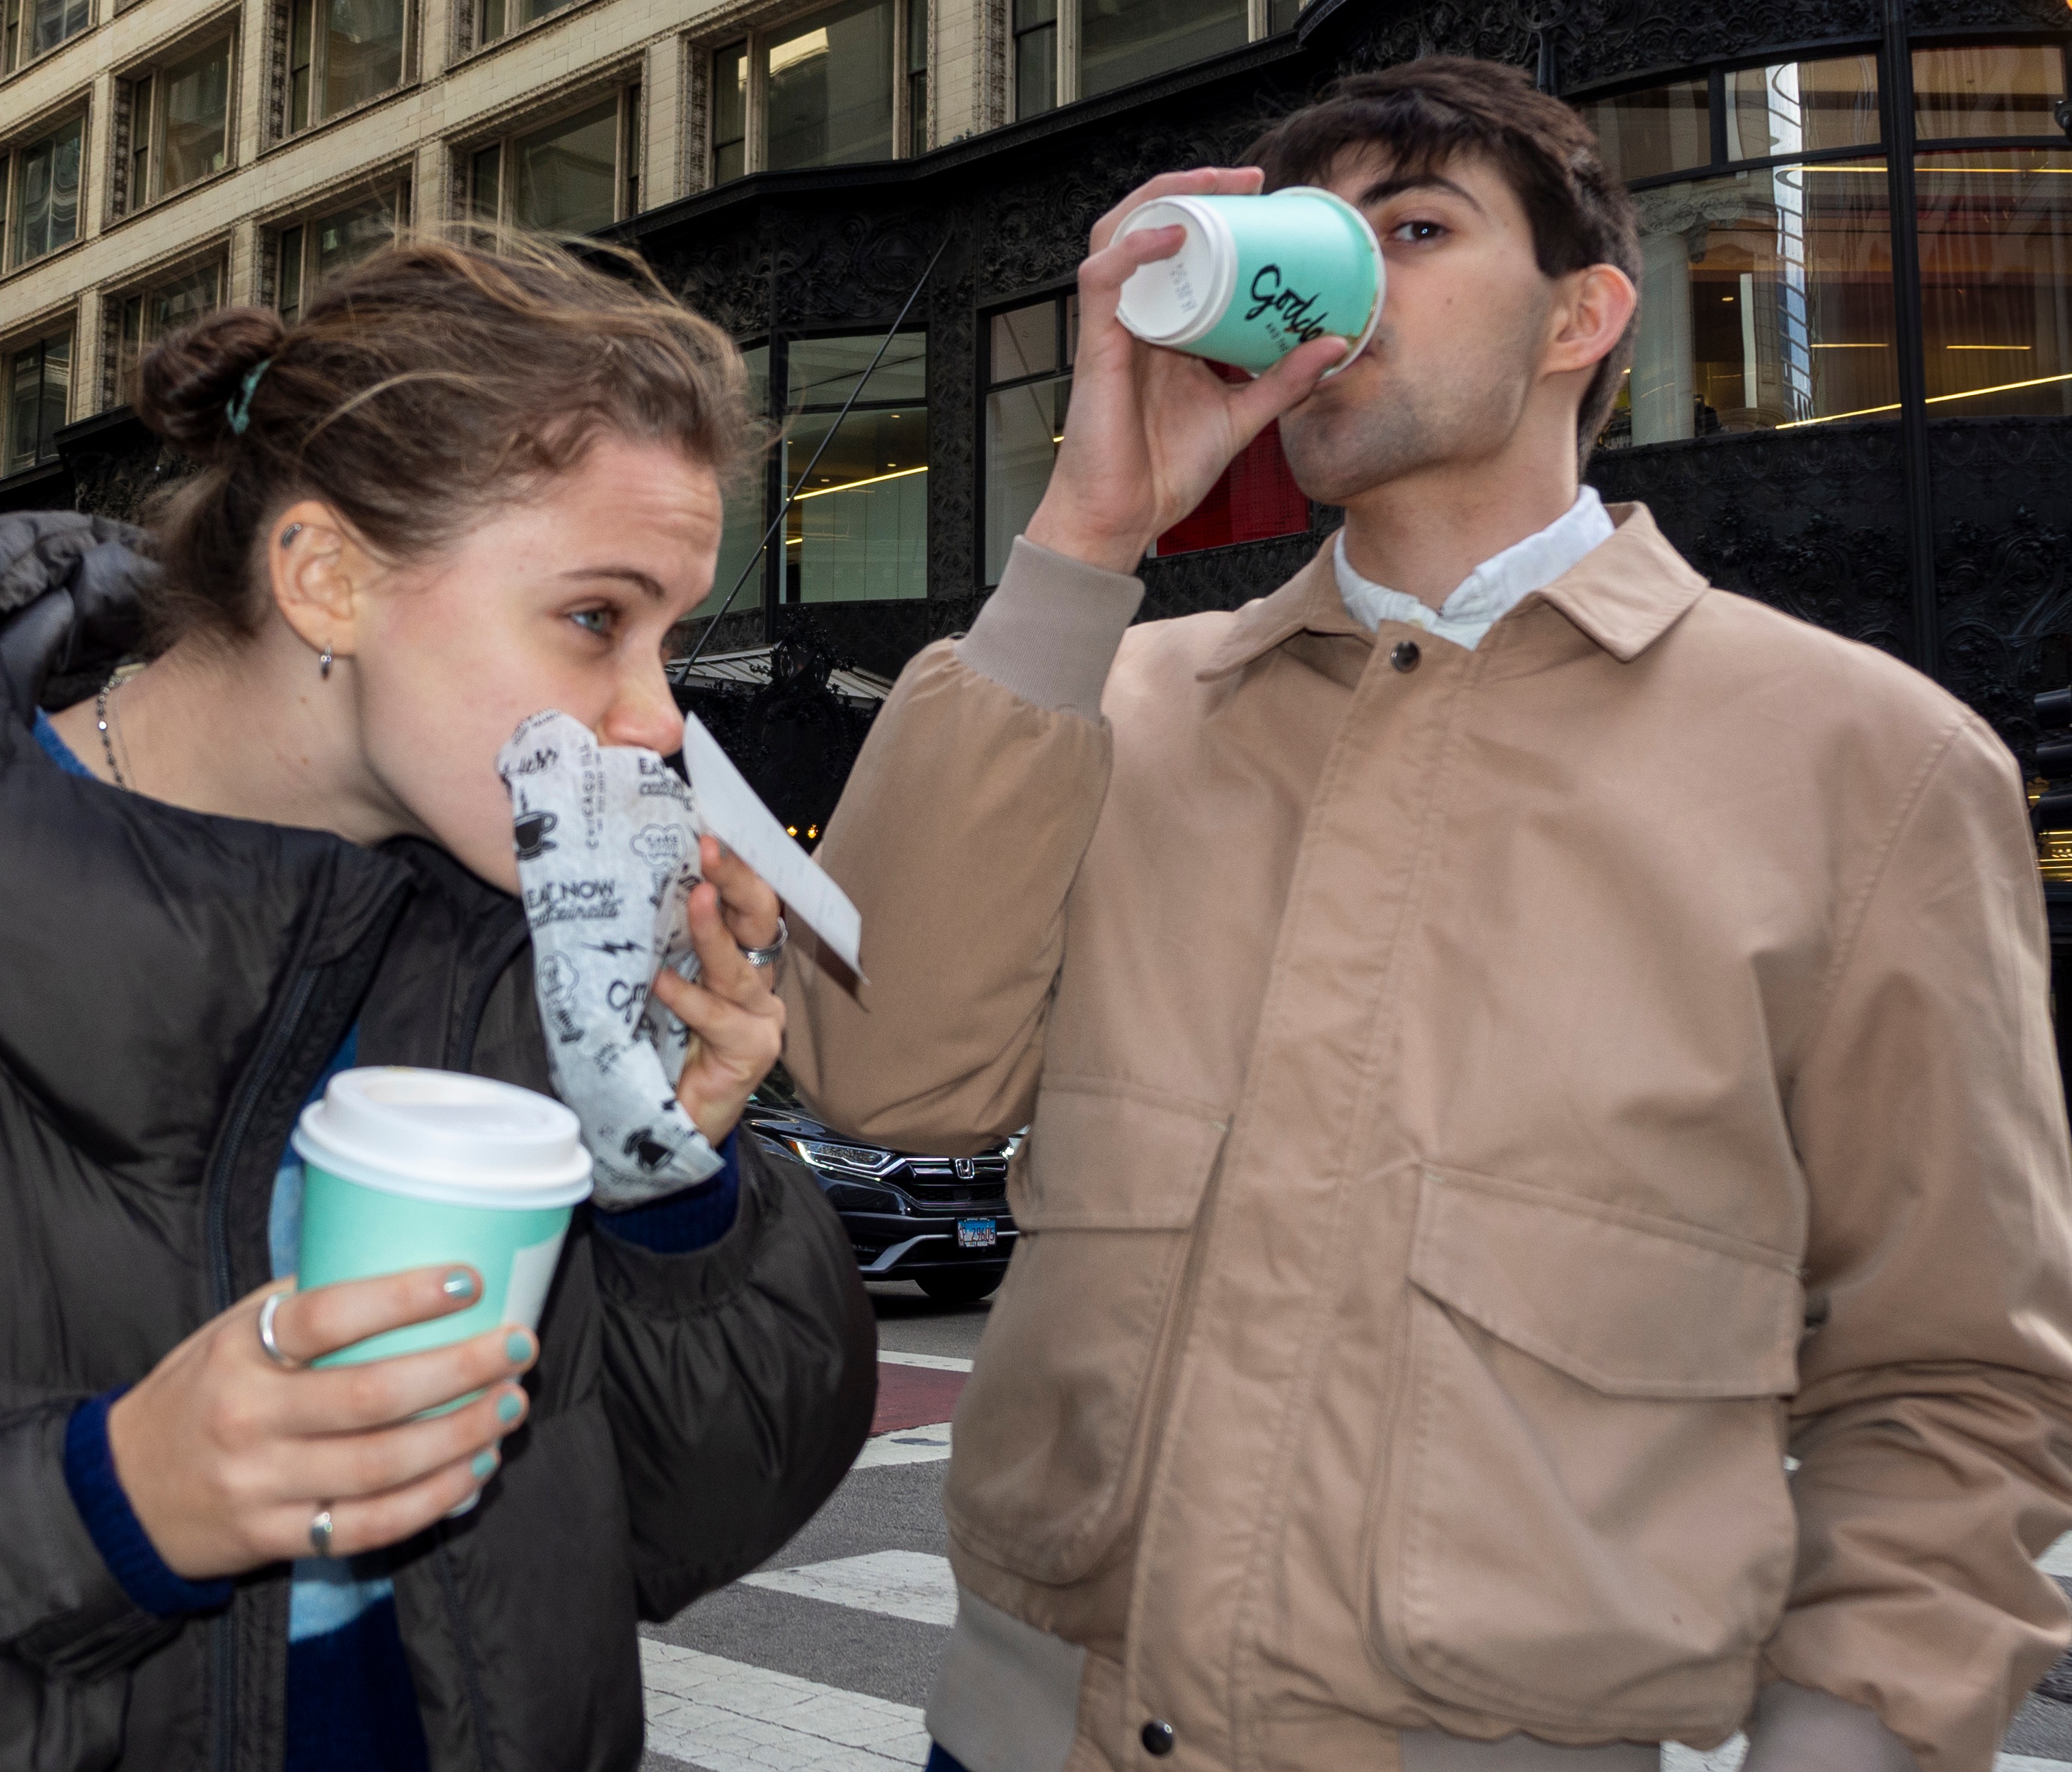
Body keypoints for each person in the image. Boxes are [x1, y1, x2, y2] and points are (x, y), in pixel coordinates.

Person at [780, 56, 2072, 1772]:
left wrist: (1846, 1744)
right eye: (1324, 236)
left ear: (1582, 318)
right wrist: (1089, 529)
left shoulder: (1870, 764)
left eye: (1417, 225)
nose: (1349, 279)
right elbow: (881, 1076)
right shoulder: (1115, 697)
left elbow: (1952, 1372)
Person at [0, 236, 875, 1769]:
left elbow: (683, 1527)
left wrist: (666, 1177)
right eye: (593, 620)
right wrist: (110, 1506)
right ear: (328, 577)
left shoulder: (504, 939)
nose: (655, 718)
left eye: (669, 635)